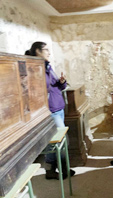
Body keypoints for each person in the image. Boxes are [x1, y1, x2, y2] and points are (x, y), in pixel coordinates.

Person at [25, 42, 75, 180]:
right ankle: (64, 168)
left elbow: (56, 86)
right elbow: (41, 88)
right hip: (50, 110)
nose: (49, 52)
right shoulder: (34, 69)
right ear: (37, 51)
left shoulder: (48, 67)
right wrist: (44, 69)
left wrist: (62, 81)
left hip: (58, 107)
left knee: (53, 141)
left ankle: (50, 170)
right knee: (62, 139)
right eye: (46, 50)